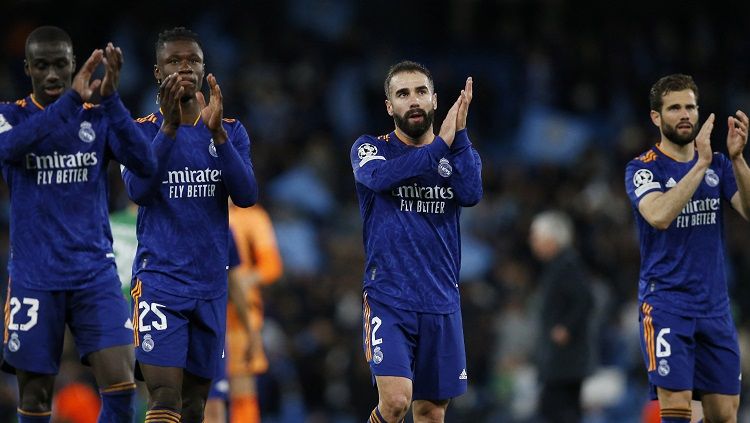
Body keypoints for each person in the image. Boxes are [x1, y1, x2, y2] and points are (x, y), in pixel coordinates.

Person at [0, 26, 156, 423]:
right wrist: (72, 101)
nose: (52, 74)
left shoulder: (96, 118)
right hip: (35, 277)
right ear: (28, 67)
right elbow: (10, 149)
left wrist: (112, 101)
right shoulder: (9, 116)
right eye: (42, 66)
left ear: (73, 65)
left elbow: (146, 164)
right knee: (35, 397)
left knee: (122, 384)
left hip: (94, 274)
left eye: (60, 65)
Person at [123, 27, 257, 422]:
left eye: (192, 60)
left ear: (204, 68)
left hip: (210, 287)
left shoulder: (230, 130)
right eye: (174, 61)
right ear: (156, 72)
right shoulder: (142, 129)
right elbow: (138, 190)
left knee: (195, 407)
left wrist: (217, 136)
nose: (184, 68)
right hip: (160, 283)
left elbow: (247, 195)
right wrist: (168, 128)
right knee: (164, 398)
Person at [350, 61, 482, 423]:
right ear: (389, 106)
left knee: (431, 412)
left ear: (435, 100)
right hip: (389, 298)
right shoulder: (370, 149)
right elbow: (380, 178)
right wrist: (442, 143)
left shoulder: (457, 154)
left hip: (441, 300)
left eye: (421, 92)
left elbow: (471, 193)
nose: (413, 101)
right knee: (395, 402)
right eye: (403, 94)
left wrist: (461, 135)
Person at [625, 74, 750, 423]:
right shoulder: (642, 168)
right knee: (677, 409)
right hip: (666, 304)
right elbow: (660, 215)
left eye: (690, 107)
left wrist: (738, 160)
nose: (685, 114)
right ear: (656, 117)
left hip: (715, 307)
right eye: (675, 107)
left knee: (725, 414)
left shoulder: (720, 165)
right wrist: (699, 166)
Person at [529, 210, 594, 423]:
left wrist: (565, 327)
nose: (532, 243)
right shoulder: (558, 265)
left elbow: (585, 298)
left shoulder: (566, 264)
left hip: (565, 362)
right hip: (562, 362)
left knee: (557, 411)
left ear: (552, 239)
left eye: (536, 237)